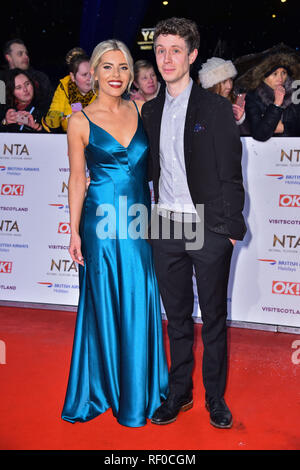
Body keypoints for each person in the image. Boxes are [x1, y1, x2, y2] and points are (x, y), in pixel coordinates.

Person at [142, 17, 246, 429]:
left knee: (214, 320)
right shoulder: (149, 110)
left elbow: (230, 173)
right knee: (177, 318)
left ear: (192, 55)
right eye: (161, 50)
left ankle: (215, 399)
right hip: (165, 224)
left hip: (208, 228)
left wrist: (231, 230)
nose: (167, 59)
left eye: (175, 51)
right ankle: (179, 392)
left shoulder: (216, 108)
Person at [61, 39, 168, 427]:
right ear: (94, 71)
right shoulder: (79, 120)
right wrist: (73, 231)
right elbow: (77, 180)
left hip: (139, 219)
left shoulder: (141, 109)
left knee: (140, 297)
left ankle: (140, 388)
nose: (116, 75)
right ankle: (104, 387)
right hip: (100, 225)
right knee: (104, 303)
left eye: (123, 67)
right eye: (107, 67)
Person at [242, 52, 300, 141]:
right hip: (264, 153)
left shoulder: (295, 94)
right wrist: (276, 104)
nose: (280, 78)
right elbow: (259, 134)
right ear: (264, 76)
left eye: (283, 73)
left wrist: (285, 128)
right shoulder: (253, 97)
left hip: (292, 152)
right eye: (275, 74)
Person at [42, 48, 95, 133]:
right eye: (84, 75)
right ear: (73, 77)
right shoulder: (64, 87)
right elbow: (54, 116)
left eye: (92, 74)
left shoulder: (102, 90)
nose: (89, 79)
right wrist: (55, 120)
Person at [2, 38, 53, 110]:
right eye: (20, 54)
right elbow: (2, 109)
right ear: (8, 57)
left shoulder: (40, 78)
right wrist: (6, 119)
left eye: (26, 53)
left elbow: (51, 105)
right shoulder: (2, 82)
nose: (26, 57)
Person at [198, 57, 247, 131]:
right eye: (224, 82)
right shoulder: (200, 107)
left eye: (230, 80)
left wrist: (240, 120)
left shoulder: (235, 101)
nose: (229, 86)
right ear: (212, 85)